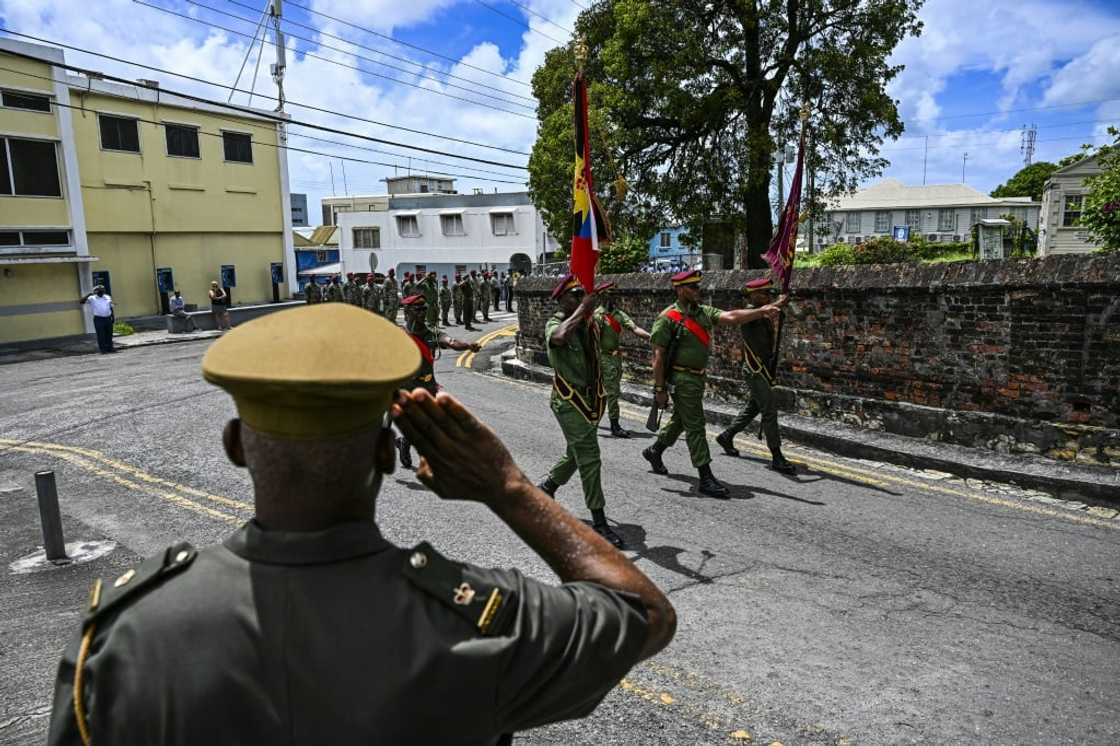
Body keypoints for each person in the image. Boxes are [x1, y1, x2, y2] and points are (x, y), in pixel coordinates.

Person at [44, 303, 676, 745]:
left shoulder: (121, 639)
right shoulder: (474, 624)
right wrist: (507, 488)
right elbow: (642, 613)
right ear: (383, 453)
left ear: (236, 445)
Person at [641, 270, 783, 498]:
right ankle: (705, 477)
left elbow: (732, 317)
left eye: (698, 287)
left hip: (697, 377)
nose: (699, 291)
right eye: (693, 287)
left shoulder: (702, 313)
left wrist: (763, 310)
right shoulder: (667, 318)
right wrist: (659, 389)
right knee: (696, 425)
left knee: (681, 420)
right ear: (680, 290)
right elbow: (658, 357)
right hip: (681, 378)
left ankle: (655, 450)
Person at [536, 274, 624, 549]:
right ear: (561, 299)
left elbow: (606, 323)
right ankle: (599, 522)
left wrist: (598, 301)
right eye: (573, 295)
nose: (578, 299)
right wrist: (583, 309)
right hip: (569, 400)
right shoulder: (555, 323)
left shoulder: (589, 323)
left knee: (576, 451)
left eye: (580, 295)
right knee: (589, 456)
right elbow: (560, 337)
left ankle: (547, 488)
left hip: (591, 399)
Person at [715, 277, 796, 474]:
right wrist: (778, 303)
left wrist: (779, 307)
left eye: (769, 293)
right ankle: (777, 456)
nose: (767, 296)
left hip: (763, 368)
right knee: (769, 410)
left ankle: (727, 435)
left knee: (754, 407)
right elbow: (760, 314)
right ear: (753, 295)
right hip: (754, 369)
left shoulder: (761, 313)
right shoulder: (749, 313)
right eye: (764, 293)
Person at [395, 294, 481, 470]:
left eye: (424, 308)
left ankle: (405, 442)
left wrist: (467, 346)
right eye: (418, 309)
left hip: (428, 385)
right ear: (407, 312)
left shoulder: (432, 334)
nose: (423, 312)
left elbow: (451, 341)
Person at [593, 286, 651, 438]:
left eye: (615, 296)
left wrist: (651, 337)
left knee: (611, 392)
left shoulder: (618, 315)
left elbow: (634, 328)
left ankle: (593, 421)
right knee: (610, 393)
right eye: (611, 295)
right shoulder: (598, 316)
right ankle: (614, 425)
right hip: (603, 359)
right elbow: (593, 340)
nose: (615, 298)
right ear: (603, 297)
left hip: (615, 359)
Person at [80, 285, 116, 353]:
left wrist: (113, 317)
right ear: (96, 291)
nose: (102, 291)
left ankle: (110, 348)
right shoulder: (92, 298)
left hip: (108, 318)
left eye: (103, 290)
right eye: (100, 290)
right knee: (101, 335)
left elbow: (110, 307)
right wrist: (88, 295)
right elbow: (81, 302)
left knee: (109, 334)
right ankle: (103, 349)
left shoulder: (107, 297)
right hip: (99, 319)